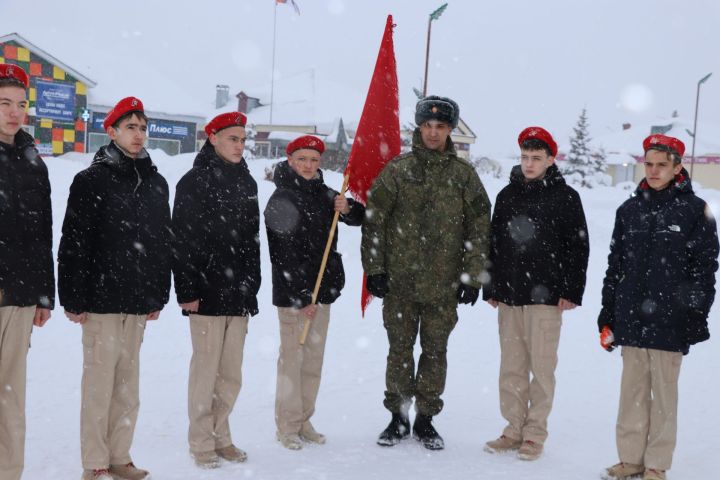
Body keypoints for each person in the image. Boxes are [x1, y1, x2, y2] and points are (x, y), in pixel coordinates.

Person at [361, 95, 491, 450]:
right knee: (399, 351)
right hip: (400, 283)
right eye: (427, 126)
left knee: (435, 352)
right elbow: (375, 221)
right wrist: (374, 269)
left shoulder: (464, 176)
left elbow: (479, 227)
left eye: (441, 127)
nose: (433, 133)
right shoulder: (398, 170)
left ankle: (426, 420)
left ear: (450, 131)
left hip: (443, 285)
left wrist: (472, 275)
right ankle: (398, 417)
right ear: (419, 128)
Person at [58, 97, 171, 480]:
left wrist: (158, 293)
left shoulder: (156, 182)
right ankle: (95, 461)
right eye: (130, 127)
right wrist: (72, 297)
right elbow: (74, 243)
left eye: (142, 128)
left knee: (128, 389)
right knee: (99, 387)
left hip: (137, 303)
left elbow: (160, 242)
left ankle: (120, 457)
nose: (138, 135)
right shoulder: (91, 180)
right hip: (100, 301)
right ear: (112, 132)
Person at [599, 134, 718, 480]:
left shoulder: (696, 211)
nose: (653, 170)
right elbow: (615, 265)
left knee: (664, 397)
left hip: (671, 318)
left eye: (661, 165)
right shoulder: (629, 209)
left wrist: (696, 314)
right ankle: (630, 459)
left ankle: (656, 464)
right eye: (648, 164)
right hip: (631, 318)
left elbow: (705, 269)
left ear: (677, 167)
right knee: (632, 394)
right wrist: (608, 311)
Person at [482, 126, 589, 461]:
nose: (529, 164)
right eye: (525, 157)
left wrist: (571, 290)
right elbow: (493, 243)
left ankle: (534, 434)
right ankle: (513, 429)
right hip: (510, 295)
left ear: (550, 160)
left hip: (546, 297)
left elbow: (578, 248)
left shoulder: (566, 197)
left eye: (536, 158)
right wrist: (492, 286)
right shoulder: (507, 195)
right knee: (511, 367)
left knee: (541, 368)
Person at [172, 111, 260, 468]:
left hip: (238, 294)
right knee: (205, 372)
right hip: (205, 292)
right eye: (232, 139)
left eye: (242, 139)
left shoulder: (248, 183)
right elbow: (182, 240)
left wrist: (251, 285)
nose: (239, 145)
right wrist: (188, 289)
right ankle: (201, 441)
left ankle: (222, 435)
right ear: (213, 138)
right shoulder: (194, 181)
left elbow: (253, 240)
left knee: (231, 375)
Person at [265, 135, 364, 450]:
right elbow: (282, 255)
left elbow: (359, 217)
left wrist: (348, 207)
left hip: (323, 293)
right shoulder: (281, 198)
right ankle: (287, 426)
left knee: (312, 362)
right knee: (292, 362)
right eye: (302, 159)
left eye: (314, 160)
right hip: (295, 297)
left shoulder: (325, 195)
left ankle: (304, 419)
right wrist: (301, 297)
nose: (308, 166)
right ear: (291, 160)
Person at [0, 64, 54, 480]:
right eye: (4, 103)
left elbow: (41, 232)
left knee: (10, 396)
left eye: (20, 104)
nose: (14, 112)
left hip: (18, 296)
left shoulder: (35, 163)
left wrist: (42, 294)